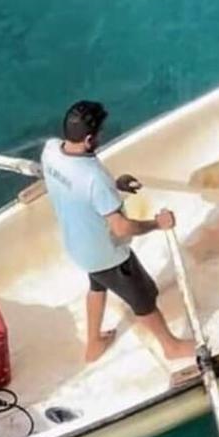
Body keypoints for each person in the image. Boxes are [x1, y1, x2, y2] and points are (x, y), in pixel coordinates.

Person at [41, 100, 194, 364]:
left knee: (97, 285)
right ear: (89, 139)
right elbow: (121, 227)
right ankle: (171, 346)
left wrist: (114, 188)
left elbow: (79, 189)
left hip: (78, 244)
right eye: (99, 133)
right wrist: (158, 223)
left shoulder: (50, 151)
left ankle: (93, 344)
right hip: (108, 253)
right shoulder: (93, 177)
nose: (101, 136)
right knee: (143, 298)